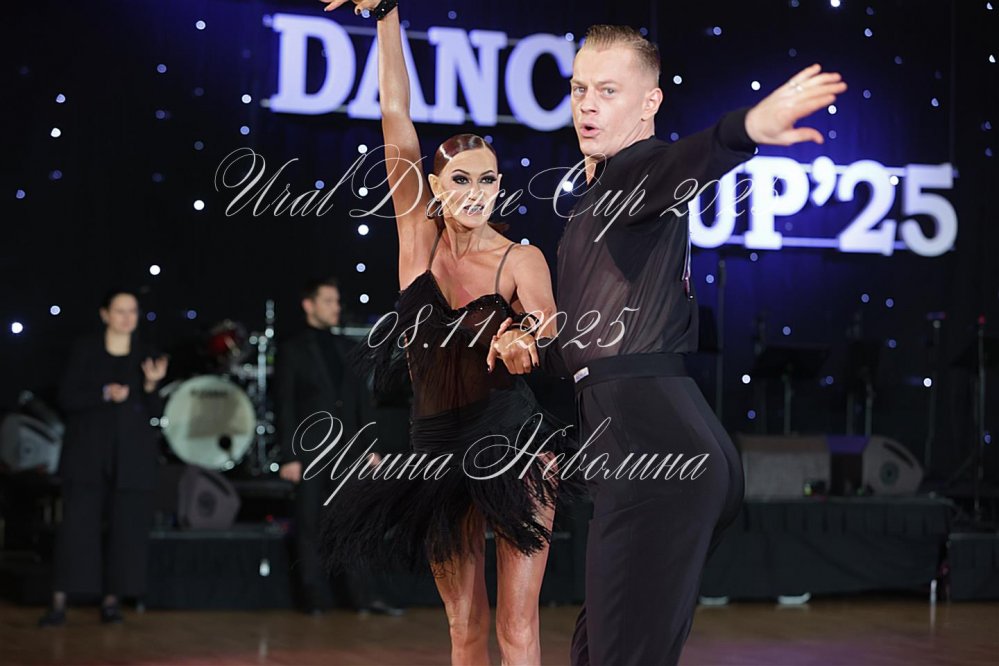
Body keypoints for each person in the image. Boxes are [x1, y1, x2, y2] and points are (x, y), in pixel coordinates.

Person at [489, 24, 848, 665]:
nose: (587, 105)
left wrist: (746, 128)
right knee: (601, 647)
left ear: (649, 102)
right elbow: (582, 349)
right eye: (579, 89)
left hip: (653, 448)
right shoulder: (594, 200)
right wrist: (526, 339)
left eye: (607, 90)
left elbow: (686, 162)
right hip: (650, 440)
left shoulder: (638, 172)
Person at [317, 1, 582, 663]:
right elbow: (394, 115)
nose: (475, 191)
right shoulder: (416, 240)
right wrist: (385, 15)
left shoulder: (519, 258)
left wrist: (524, 339)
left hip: (513, 444)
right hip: (434, 448)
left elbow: (545, 318)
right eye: (461, 179)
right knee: (463, 628)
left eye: (487, 179)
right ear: (434, 185)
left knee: (516, 629)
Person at [39, 289, 168, 626]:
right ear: (105, 314)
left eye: (132, 311)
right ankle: (60, 601)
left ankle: (112, 601)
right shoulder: (86, 349)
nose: (127, 318)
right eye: (120, 310)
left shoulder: (146, 353)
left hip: (131, 455)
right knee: (76, 526)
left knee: (126, 529)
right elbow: (67, 397)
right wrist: (104, 393)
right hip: (88, 452)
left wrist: (151, 386)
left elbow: (155, 413)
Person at [275, 276, 403, 616]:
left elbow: (362, 402)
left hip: (349, 449)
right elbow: (284, 405)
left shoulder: (348, 348)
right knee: (308, 523)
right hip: (310, 450)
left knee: (354, 521)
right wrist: (289, 456)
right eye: (328, 301)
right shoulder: (292, 350)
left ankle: (363, 597)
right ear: (309, 305)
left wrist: (370, 447)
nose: (336, 307)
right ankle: (313, 597)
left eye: (336, 301)